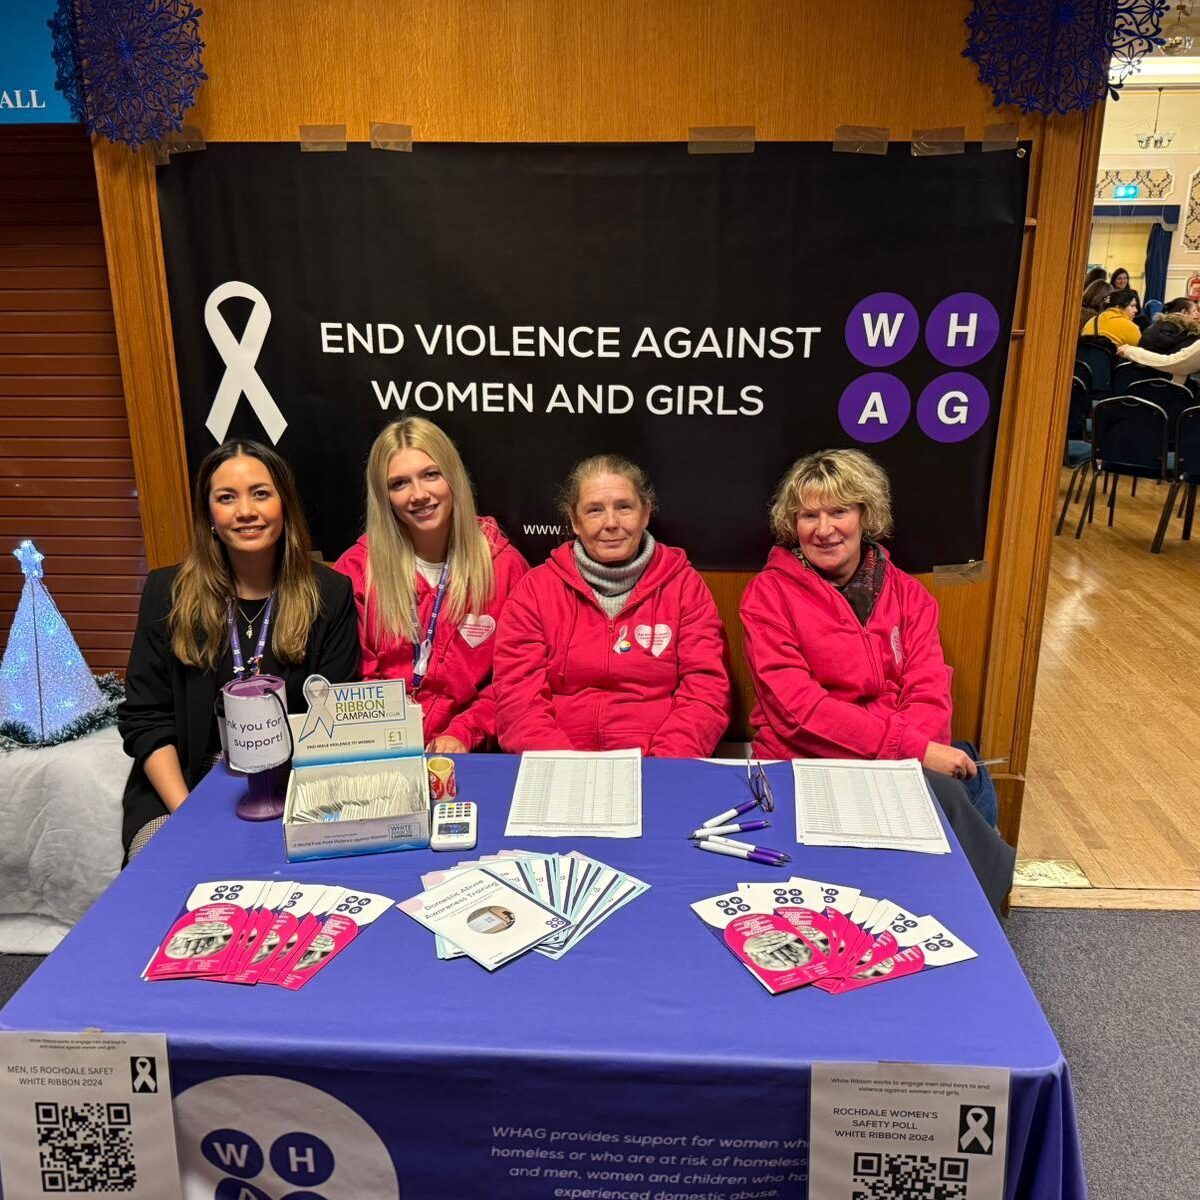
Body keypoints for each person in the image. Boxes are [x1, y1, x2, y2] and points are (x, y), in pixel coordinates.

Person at [739, 449, 1013, 909]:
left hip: (897, 759)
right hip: (806, 758)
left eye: (839, 511)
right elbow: (800, 710)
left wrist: (912, 753)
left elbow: (929, 688)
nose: (824, 529)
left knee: (967, 770)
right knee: (950, 793)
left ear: (866, 514)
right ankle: (971, 916)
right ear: (793, 524)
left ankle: (964, 915)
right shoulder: (767, 596)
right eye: (809, 515)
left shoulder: (910, 594)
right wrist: (912, 751)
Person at [118, 441, 360, 859]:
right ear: (209, 516)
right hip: (185, 784)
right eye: (226, 498)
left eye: (261, 493)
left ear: (285, 505)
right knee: (164, 883)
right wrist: (187, 815)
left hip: (293, 783)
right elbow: (146, 719)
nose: (245, 511)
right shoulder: (166, 594)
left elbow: (333, 719)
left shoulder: (329, 594)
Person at [494, 454, 730, 756]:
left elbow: (706, 692)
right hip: (560, 764)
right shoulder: (535, 590)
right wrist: (563, 766)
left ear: (645, 513)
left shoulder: (684, 586)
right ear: (575, 521)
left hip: (656, 764)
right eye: (595, 511)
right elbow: (518, 700)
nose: (611, 523)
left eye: (624, 507)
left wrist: (663, 767)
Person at [335, 418, 529, 752]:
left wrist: (464, 732)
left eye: (430, 475)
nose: (419, 495)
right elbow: (355, 682)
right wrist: (391, 738)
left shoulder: (505, 567)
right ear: (385, 498)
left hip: (468, 753)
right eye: (399, 484)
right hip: (382, 751)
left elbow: (512, 681)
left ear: (453, 477)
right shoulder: (356, 570)